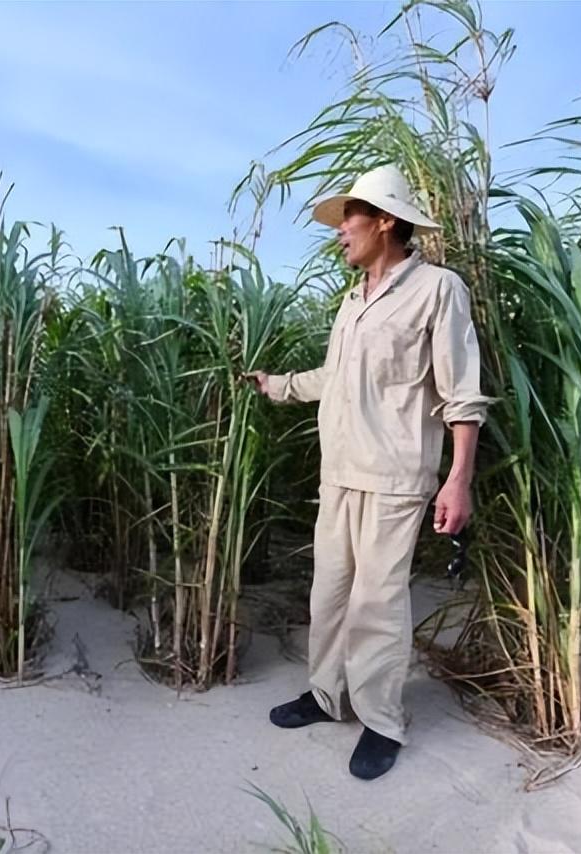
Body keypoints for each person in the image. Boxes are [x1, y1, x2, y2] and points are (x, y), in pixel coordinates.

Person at [246, 164, 490, 781]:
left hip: (397, 476)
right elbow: (335, 378)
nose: (339, 233)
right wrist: (277, 385)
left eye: (348, 219)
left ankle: (382, 720)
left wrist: (457, 479)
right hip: (341, 474)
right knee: (328, 594)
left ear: (385, 221)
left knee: (378, 605)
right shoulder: (352, 301)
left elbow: (461, 392)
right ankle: (328, 696)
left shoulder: (437, 288)